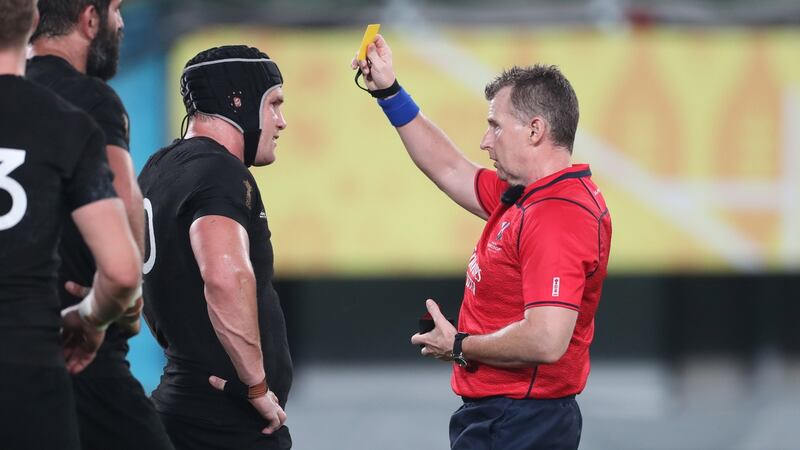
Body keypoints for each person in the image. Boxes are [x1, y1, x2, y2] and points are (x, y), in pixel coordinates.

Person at [353, 35, 612, 450]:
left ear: (535, 130)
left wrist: (457, 345)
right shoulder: (531, 194)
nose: (485, 141)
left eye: (495, 125)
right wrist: (388, 91)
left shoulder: (555, 216)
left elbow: (547, 340)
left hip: (520, 420)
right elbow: (450, 168)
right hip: (508, 416)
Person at [26, 2, 175, 449]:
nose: (122, 23)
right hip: (80, 343)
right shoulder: (90, 99)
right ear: (89, 20)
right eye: (115, 11)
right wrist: (123, 304)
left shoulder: (13, 93)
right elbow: (125, 200)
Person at [0, 0, 141, 448]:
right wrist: (93, 317)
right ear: (34, 20)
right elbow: (121, 271)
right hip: (35, 362)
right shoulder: (67, 122)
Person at [138, 45, 292, 450]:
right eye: (273, 104)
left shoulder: (159, 166)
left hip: (186, 403)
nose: (281, 121)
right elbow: (225, 278)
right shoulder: (219, 171)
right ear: (236, 102)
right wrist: (257, 386)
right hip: (224, 420)